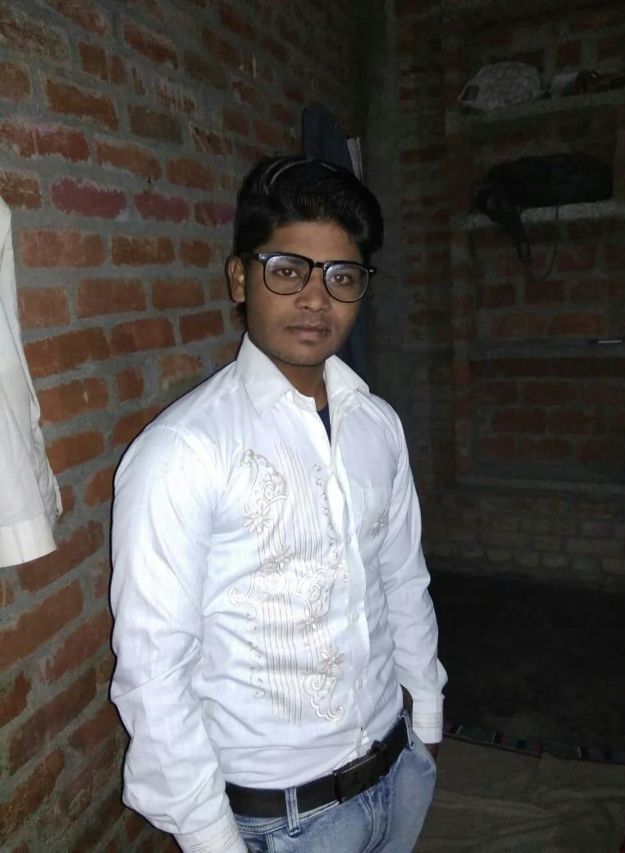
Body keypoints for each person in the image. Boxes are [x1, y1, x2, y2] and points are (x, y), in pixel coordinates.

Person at [110, 156, 447, 853]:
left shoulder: (376, 425)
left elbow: (402, 580)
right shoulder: (183, 452)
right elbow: (153, 670)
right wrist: (212, 838)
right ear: (241, 278)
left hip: (400, 770)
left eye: (341, 277)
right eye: (289, 270)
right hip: (284, 820)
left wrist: (428, 722)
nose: (317, 299)